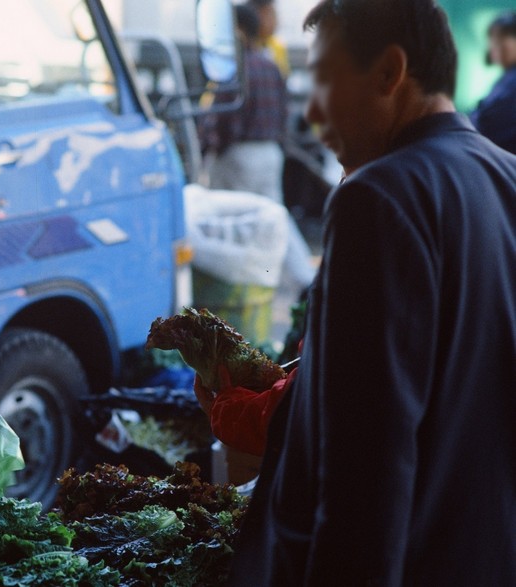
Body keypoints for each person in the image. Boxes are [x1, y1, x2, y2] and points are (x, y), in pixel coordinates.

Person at [218, 1, 516, 585]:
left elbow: (365, 464)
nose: (311, 110)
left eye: (324, 80)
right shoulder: (506, 176)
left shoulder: (379, 197)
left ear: (389, 72)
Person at [199, 5, 315, 291]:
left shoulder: (233, 71)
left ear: (238, 30)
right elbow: (283, 112)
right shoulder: (270, 65)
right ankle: (304, 278)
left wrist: (208, 151)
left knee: (228, 222)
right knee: (277, 217)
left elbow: (222, 122)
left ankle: (235, 284)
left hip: (239, 156)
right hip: (270, 153)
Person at [471, 11, 516, 154]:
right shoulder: (506, 79)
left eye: (504, 37)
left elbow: (491, 125)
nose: (496, 46)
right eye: (494, 40)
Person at [248, 0, 290, 78]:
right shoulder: (248, 47)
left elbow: (284, 77)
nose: (275, 21)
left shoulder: (278, 46)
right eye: (269, 15)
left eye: (274, 15)